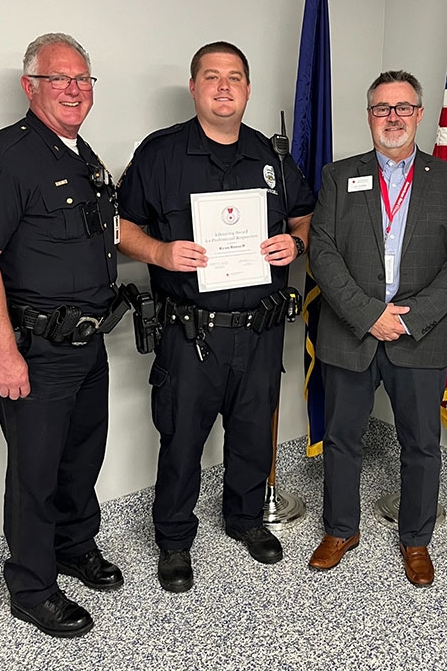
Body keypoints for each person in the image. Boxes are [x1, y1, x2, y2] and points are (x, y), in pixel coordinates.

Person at [116, 41, 314, 593]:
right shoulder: (160, 154)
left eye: (234, 77)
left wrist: (293, 246)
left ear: (247, 90)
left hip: (260, 329)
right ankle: (175, 540)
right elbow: (120, 227)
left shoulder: (271, 157)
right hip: (190, 333)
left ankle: (247, 519)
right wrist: (160, 253)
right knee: (180, 439)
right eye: (211, 77)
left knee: (253, 433)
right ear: (194, 87)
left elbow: (306, 218)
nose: (223, 87)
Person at [0, 34, 126, 637]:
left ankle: (75, 547)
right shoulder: (4, 157)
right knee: (35, 470)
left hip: (87, 343)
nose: (75, 89)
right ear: (31, 86)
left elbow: (106, 231)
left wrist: (165, 250)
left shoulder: (82, 156)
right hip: (35, 350)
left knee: (82, 457)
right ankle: (30, 585)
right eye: (60, 79)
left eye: (83, 78)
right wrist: (4, 354)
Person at [307, 70, 447, 586]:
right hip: (350, 330)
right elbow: (322, 251)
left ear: (421, 114)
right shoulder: (339, 176)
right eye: (382, 108)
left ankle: (416, 538)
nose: (393, 118)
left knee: (421, 444)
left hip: (418, 334)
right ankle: (341, 529)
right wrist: (367, 314)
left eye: (403, 108)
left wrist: (413, 316)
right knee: (342, 439)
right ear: (369, 117)